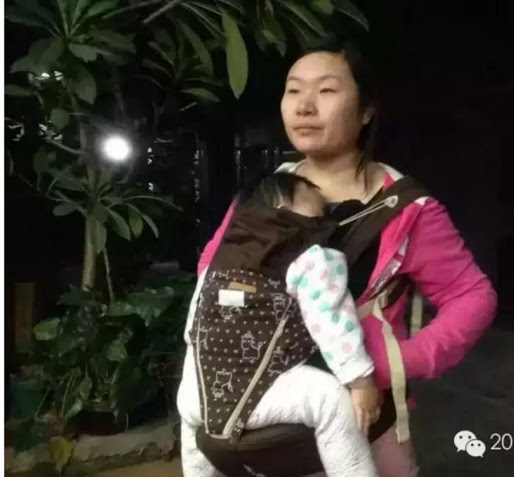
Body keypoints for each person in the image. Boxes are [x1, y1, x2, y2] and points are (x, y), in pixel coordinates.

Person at [180, 37, 497, 476]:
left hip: (365, 421)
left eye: (326, 90)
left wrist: (395, 364)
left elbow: (473, 296)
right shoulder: (266, 192)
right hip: (262, 413)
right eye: (294, 90)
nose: (304, 106)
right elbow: (212, 269)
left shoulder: (406, 208)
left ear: (366, 110)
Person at [181, 172, 382, 477]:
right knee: (332, 399)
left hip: (195, 397)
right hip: (260, 393)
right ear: (284, 209)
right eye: (317, 205)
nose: (325, 213)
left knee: (195, 442)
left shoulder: (220, 258)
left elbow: (193, 328)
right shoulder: (312, 255)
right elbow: (331, 319)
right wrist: (360, 380)